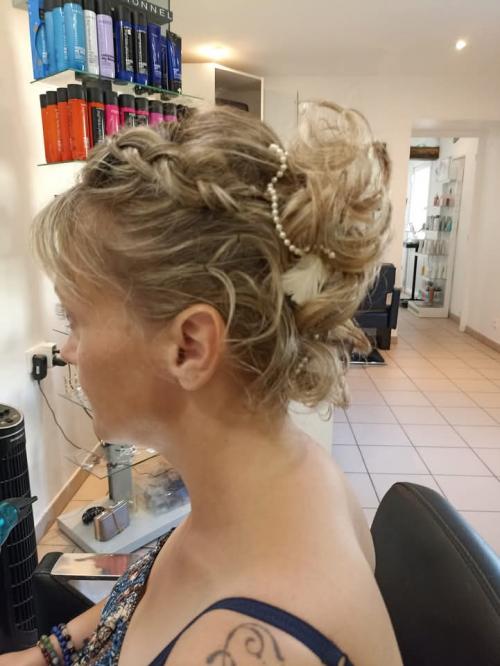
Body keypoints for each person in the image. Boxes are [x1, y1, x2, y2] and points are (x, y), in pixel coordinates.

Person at [3, 102, 402, 665]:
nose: (68, 351)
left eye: (76, 319)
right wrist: (46, 653)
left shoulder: (251, 647)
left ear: (189, 347)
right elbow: (140, 601)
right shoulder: (271, 480)